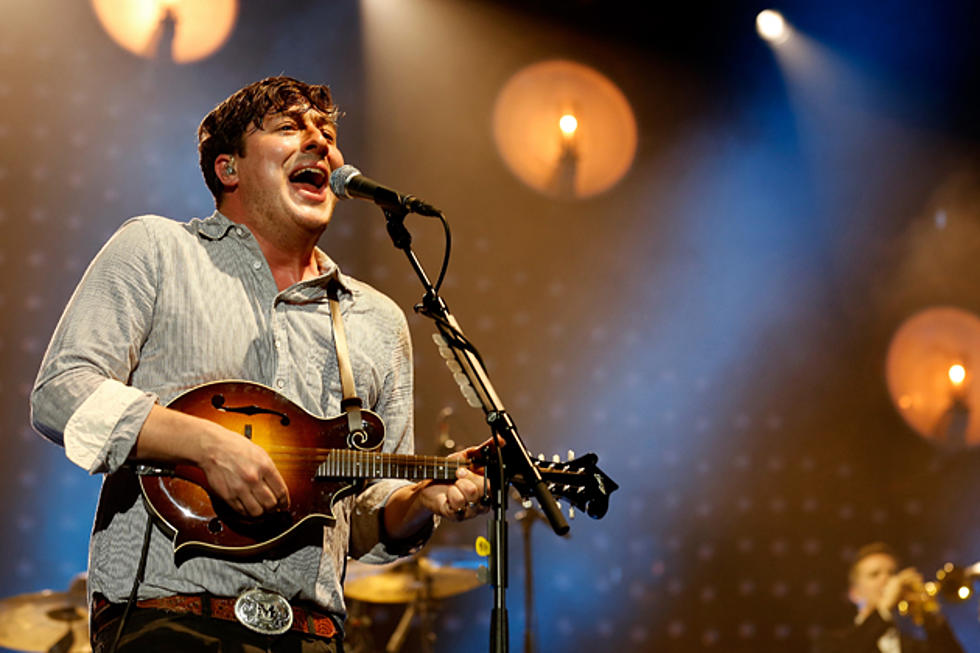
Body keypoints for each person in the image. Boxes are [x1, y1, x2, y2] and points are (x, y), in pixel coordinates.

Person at [30, 76, 490, 653]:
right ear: (229, 168)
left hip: (314, 636)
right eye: (290, 128)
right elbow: (60, 395)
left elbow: (364, 524)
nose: (321, 143)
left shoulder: (377, 321)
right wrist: (206, 445)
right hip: (166, 620)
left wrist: (418, 501)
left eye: (328, 132)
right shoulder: (158, 250)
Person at [813, 542, 966, 653]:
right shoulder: (832, 643)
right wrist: (883, 609)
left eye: (892, 573)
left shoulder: (916, 647)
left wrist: (932, 620)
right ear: (854, 593)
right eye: (874, 574)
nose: (886, 579)